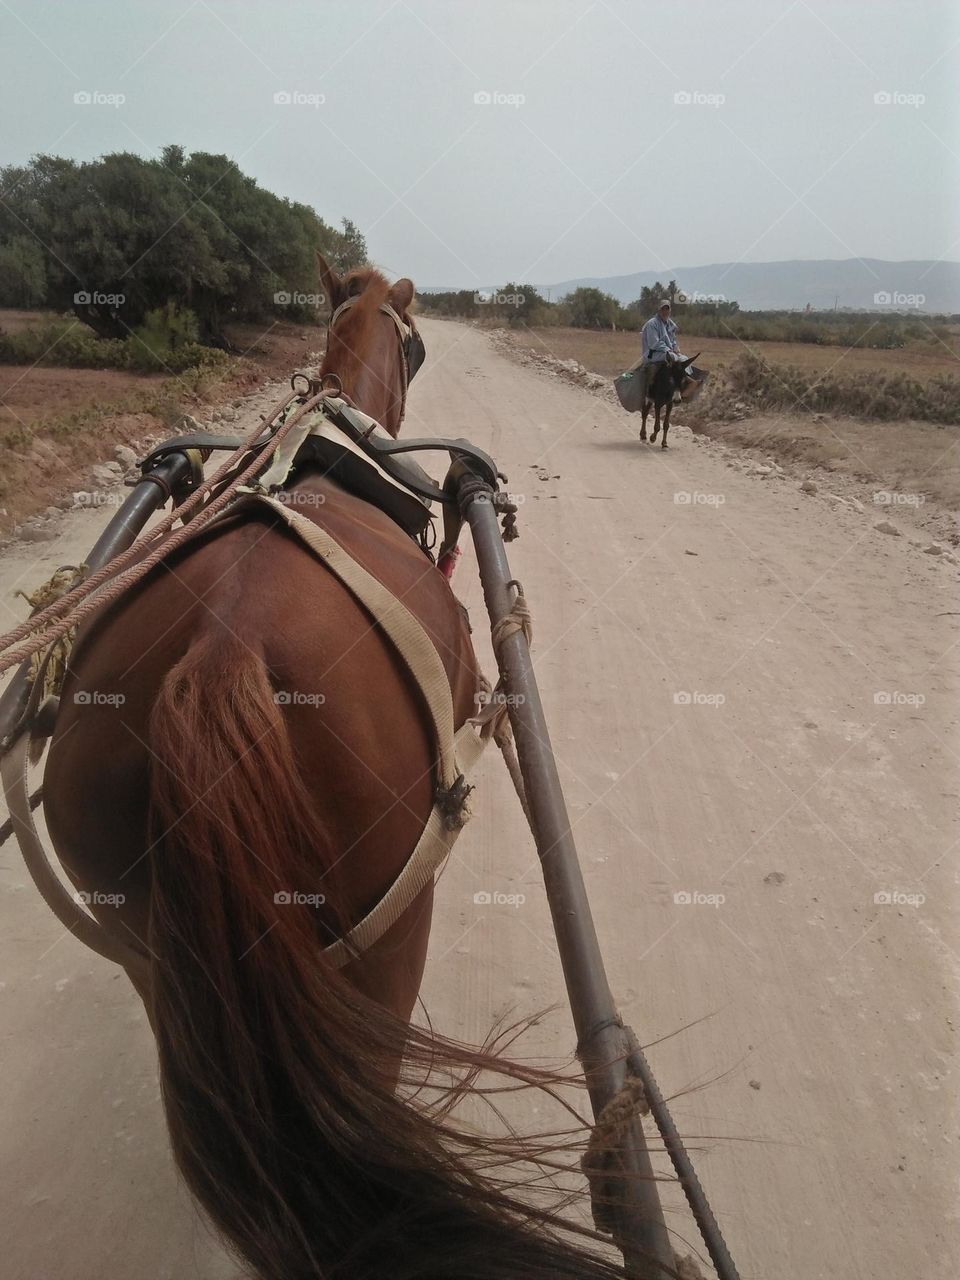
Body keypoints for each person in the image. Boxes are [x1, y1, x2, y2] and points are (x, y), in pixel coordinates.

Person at [638, 299, 685, 402]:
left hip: (666, 352)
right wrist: (670, 350)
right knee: (673, 357)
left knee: (684, 358)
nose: (665, 312)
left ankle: (683, 385)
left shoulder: (670, 324)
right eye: (663, 309)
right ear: (659, 310)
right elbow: (654, 343)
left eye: (667, 309)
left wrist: (676, 347)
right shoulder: (652, 324)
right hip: (653, 354)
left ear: (670, 310)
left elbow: (673, 340)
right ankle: (650, 391)